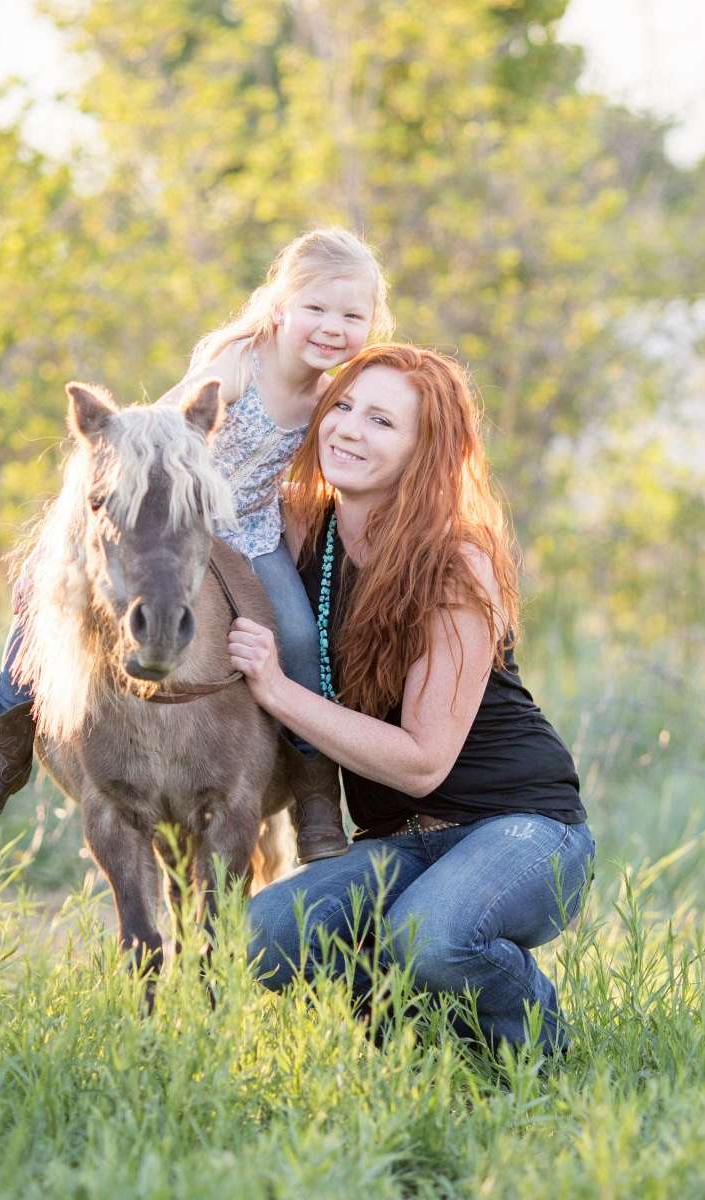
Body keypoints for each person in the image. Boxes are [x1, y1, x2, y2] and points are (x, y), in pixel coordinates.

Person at [0, 228, 394, 864]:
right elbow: (145, 435)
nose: (333, 327)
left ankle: (315, 796)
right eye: (317, 309)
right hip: (179, 524)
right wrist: (64, 544)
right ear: (279, 307)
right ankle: (6, 742)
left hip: (254, 537)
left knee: (298, 638)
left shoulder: (332, 397)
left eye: (352, 315)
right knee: (43, 608)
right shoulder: (240, 363)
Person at [228, 344, 594, 1054]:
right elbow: (211, 483)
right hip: (397, 845)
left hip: (520, 828)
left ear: (425, 449)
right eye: (342, 407)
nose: (348, 430)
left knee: (432, 937)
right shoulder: (305, 528)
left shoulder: (458, 560)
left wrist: (276, 689)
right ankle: (422, 1046)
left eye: (381, 422)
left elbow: (424, 763)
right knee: (257, 940)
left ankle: (539, 1051)